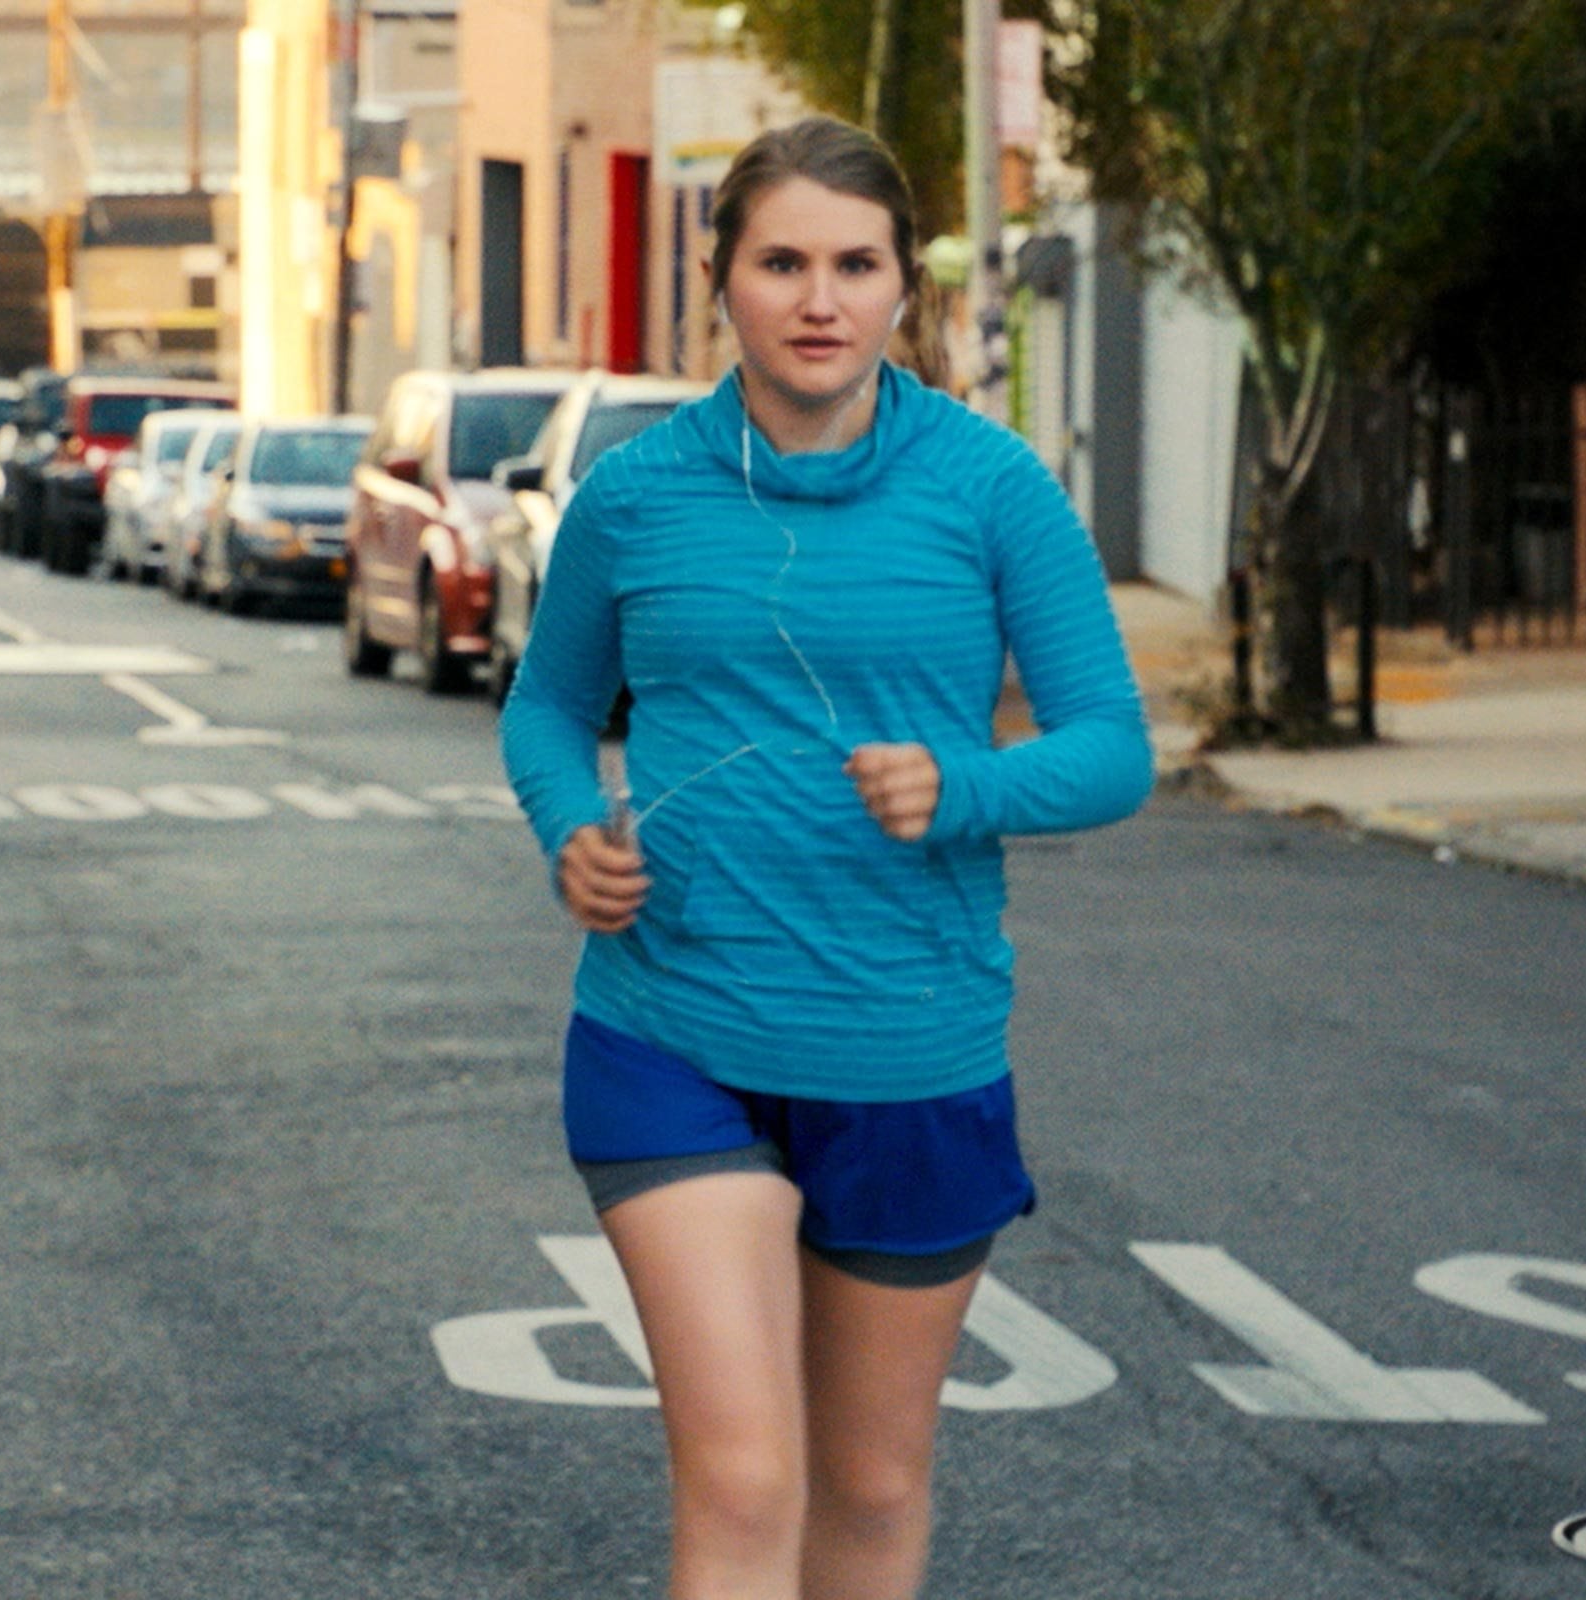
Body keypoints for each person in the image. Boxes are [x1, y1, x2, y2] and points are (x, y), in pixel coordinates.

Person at [498, 115, 1153, 1600]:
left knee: (867, 1490)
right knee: (741, 1481)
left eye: (855, 266)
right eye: (781, 261)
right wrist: (569, 831)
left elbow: (1114, 748)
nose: (818, 299)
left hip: (911, 1044)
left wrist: (966, 787)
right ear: (720, 278)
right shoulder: (636, 497)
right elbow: (546, 708)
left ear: (901, 291)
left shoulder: (991, 491)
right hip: (670, 1034)